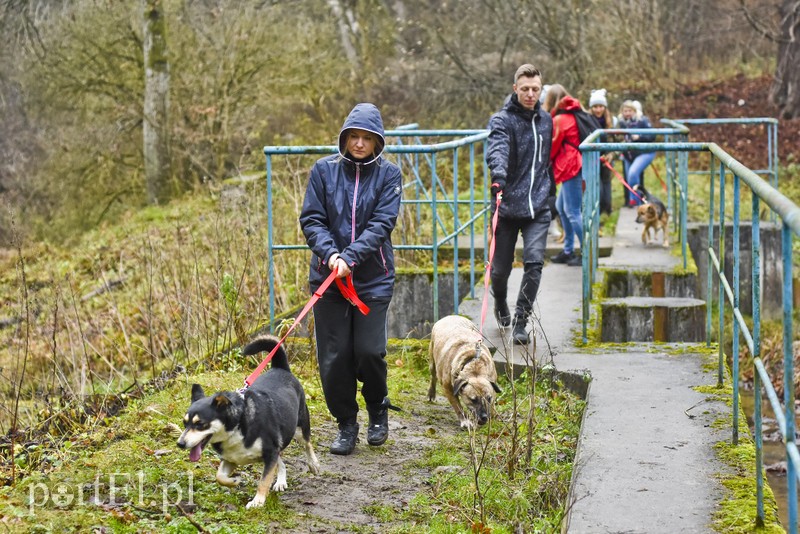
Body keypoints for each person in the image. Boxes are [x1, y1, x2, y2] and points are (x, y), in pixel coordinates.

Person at [299, 103, 402, 455]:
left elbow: (382, 224)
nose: (359, 143)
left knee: (369, 352)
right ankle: (346, 423)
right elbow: (312, 218)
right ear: (344, 138)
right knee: (334, 357)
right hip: (327, 279)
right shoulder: (323, 172)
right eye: (353, 136)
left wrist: (352, 257)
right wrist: (331, 255)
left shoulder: (389, 176)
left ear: (377, 141)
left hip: (372, 279)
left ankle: (377, 409)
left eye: (366, 138)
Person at [486, 63, 554, 345]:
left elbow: (547, 159)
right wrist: (498, 177)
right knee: (500, 271)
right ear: (515, 88)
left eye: (535, 89)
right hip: (507, 205)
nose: (530, 94)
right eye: (525, 89)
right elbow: (498, 148)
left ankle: (521, 320)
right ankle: (500, 300)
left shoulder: (546, 120)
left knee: (534, 263)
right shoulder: (502, 120)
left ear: (541, 90)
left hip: (538, 206)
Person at [545, 84, 584, 268]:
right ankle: (568, 250)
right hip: (574, 164)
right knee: (562, 206)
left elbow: (553, 146)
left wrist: (544, 160)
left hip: (571, 166)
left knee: (573, 212)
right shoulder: (575, 113)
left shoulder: (560, 119)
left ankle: (587, 252)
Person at [618, 100, 656, 206]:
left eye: (630, 110)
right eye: (625, 111)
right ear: (622, 112)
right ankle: (634, 201)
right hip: (628, 154)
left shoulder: (642, 120)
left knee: (633, 173)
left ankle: (636, 199)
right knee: (630, 177)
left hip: (643, 152)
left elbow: (653, 136)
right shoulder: (621, 123)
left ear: (634, 111)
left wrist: (639, 137)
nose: (627, 113)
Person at [588, 89, 617, 215]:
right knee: (596, 189)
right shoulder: (587, 121)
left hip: (607, 161)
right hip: (593, 160)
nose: (598, 110)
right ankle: (596, 215)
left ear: (605, 107)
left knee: (606, 189)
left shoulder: (613, 122)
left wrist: (611, 154)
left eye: (600, 106)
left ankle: (607, 210)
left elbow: (619, 143)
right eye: (595, 107)